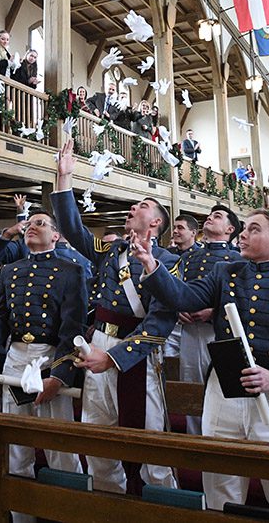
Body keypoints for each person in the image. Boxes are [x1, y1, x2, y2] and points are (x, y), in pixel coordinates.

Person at [130, 209, 269, 523]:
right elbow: (184, 297)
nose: (243, 233)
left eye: (253, 229)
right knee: (220, 484)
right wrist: (151, 265)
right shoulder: (226, 273)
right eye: (243, 228)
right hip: (223, 392)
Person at [51, 138, 180, 493]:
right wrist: (64, 181)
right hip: (98, 343)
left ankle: (160, 506)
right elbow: (75, 231)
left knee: (150, 436)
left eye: (141, 205)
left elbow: (157, 326)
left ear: (154, 222)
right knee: (98, 429)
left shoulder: (169, 264)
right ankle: (110, 499)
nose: (132, 208)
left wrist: (113, 357)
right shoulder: (112, 249)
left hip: (134, 353)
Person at [0, 210, 86, 522]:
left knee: (59, 443)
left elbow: (73, 328)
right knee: (15, 443)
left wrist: (59, 376)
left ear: (56, 236)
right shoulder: (10, 271)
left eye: (41, 224)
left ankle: (66, 513)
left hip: (50, 356)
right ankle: (21, 516)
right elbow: (1, 318)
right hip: (17, 358)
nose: (32, 227)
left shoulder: (71, 270)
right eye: (30, 223)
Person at [170, 205, 241, 435]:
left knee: (224, 386)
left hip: (220, 331)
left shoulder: (236, 258)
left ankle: (224, 436)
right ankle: (195, 437)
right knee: (191, 385)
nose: (210, 218)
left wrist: (214, 312)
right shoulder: (189, 256)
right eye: (209, 216)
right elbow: (176, 288)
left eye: (217, 217)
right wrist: (177, 309)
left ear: (230, 229)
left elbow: (243, 298)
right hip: (189, 330)